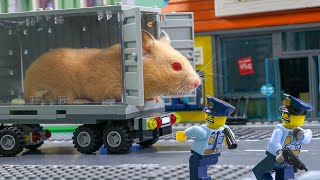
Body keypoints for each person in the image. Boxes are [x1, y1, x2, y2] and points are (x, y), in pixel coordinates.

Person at [252, 94, 313, 180]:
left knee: (260, 172)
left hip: (276, 158)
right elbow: (306, 139)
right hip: (289, 159)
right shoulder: (301, 131)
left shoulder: (281, 129)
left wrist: (279, 153)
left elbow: (274, 142)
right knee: (284, 177)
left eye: (285, 114)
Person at [176, 95, 237, 180]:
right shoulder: (225, 129)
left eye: (212, 116)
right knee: (202, 171)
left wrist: (184, 134)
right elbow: (231, 140)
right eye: (208, 115)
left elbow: (195, 130)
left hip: (200, 157)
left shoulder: (205, 131)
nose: (209, 118)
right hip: (214, 156)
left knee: (197, 170)